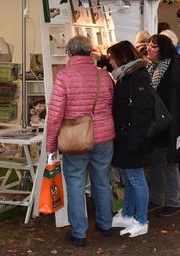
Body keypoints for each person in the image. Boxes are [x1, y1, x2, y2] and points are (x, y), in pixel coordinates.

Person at [46, 36, 115, 247]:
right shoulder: (104, 76)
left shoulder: (64, 76)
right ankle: (105, 224)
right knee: (102, 181)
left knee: (75, 184)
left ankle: (79, 232)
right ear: (89, 52)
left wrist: (50, 144)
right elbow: (110, 104)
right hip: (103, 136)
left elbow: (56, 114)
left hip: (75, 138)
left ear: (69, 53)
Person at [108, 41, 156, 237]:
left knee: (136, 178)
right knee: (129, 177)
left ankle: (142, 220)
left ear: (121, 57)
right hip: (126, 136)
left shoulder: (136, 77)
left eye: (112, 57)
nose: (110, 61)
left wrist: (135, 140)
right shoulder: (128, 76)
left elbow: (142, 112)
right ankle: (128, 214)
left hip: (133, 138)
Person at [146, 34, 180, 217]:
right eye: (149, 45)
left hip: (172, 126)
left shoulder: (176, 70)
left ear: (163, 49)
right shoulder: (151, 68)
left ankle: (173, 202)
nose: (148, 49)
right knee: (156, 162)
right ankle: (156, 198)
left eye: (153, 46)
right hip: (157, 125)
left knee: (170, 164)